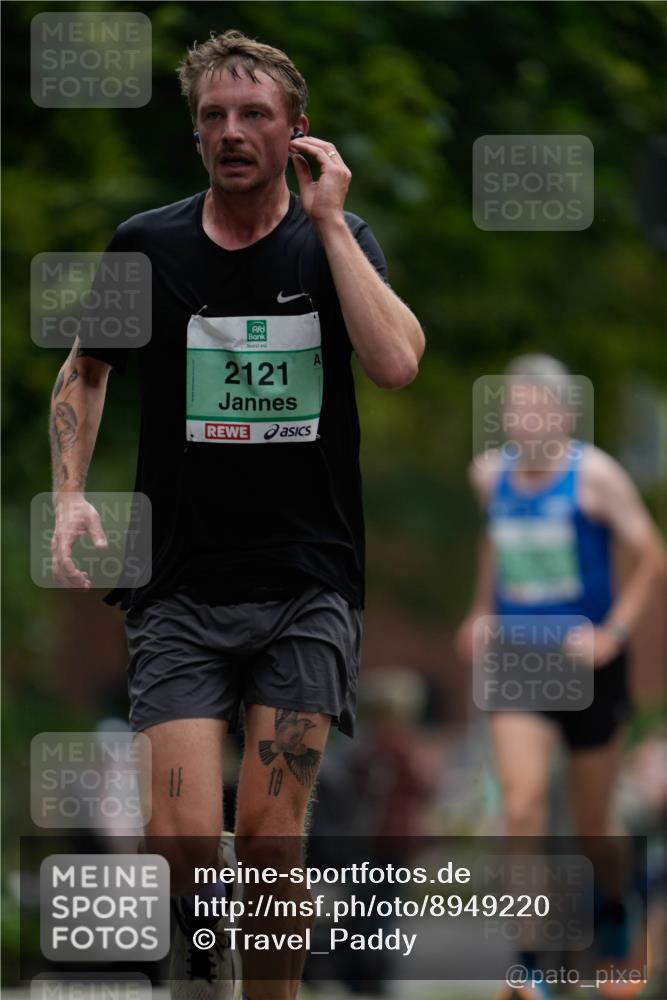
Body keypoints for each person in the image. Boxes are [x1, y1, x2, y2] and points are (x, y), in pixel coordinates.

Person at [48, 29, 425, 1000]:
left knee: (264, 834)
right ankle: (201, 960)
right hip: (179, 583)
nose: (231, 131)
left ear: (298, 131)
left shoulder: (333, 241)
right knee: (178, 837)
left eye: (253, 113)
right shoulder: (150, 244)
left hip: (306, 585)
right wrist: (68, 496)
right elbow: (87, 369)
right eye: (213, 115)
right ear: (195, 135)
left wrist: (334, 224)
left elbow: (394, 364)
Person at [456, 354, 666, 1000]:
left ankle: (616, 908)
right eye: (513, 408)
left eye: (534, 408)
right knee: (519, 809)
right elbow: (494, 541)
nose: (521, 420)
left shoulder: (594, 477)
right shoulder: (489, 476)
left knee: (591, 827)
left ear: (563, 414)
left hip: (588, 664)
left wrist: (613, 635)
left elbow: (651, 558)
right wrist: (481, 610)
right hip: (520, 656)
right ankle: (530, 967)